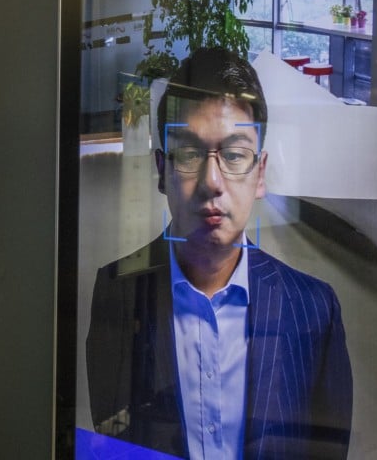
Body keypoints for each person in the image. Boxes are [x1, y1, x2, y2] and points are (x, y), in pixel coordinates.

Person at [86, 47, 353, 459]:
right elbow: (117, 440)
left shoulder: (315, 309)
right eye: (190, 154)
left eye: (233, 155)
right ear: (162, 170)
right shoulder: (117, 292)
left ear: (260, 173)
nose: (213, 182)